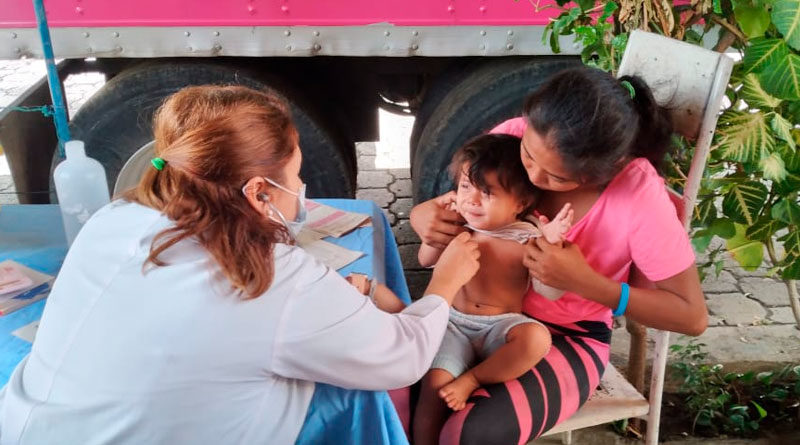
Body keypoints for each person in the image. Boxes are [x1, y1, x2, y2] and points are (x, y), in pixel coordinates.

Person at [0, 85, 481, 445]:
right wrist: (444, 283)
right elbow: (402, 357)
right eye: (295, 176)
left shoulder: (116, 217)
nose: (301, 190)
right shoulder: (275, 279)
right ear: (257, 192)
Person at [409, 66, 708, 445]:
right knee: (399, 398)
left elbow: (692, 315)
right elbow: (458, 202)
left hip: (567, 337)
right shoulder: (516, 135)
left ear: (606, 170)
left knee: (471, 433)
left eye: (557, 178)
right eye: (529, 156)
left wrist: (586, 283)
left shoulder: (637, 197)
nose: (533, 176)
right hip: (470, 317)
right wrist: (424, 217)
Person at [413, 134, 573, 445]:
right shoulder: (458, 226)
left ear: (521, 204)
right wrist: (436, 232)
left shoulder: (527, 238)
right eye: (464, 187)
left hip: (501, 326)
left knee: (537, 338)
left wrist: (552, 246)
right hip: (453, 324)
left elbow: (549, 292)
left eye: (486, 193)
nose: (471, 200)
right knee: (433, 388)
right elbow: (424, 260)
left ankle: (474, 378)